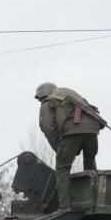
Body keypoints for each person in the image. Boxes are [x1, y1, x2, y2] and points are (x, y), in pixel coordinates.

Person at [35, 82, 104, 210]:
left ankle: (65, 207)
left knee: (62, 168)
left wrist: (59, 148)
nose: (40, 101)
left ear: (43, 95)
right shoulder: (72, 97)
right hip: (93, 130)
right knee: (89, 163)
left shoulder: (48, 102)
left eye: (39, 98)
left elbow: (48, 127)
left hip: (72, 131)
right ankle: (93, 202)